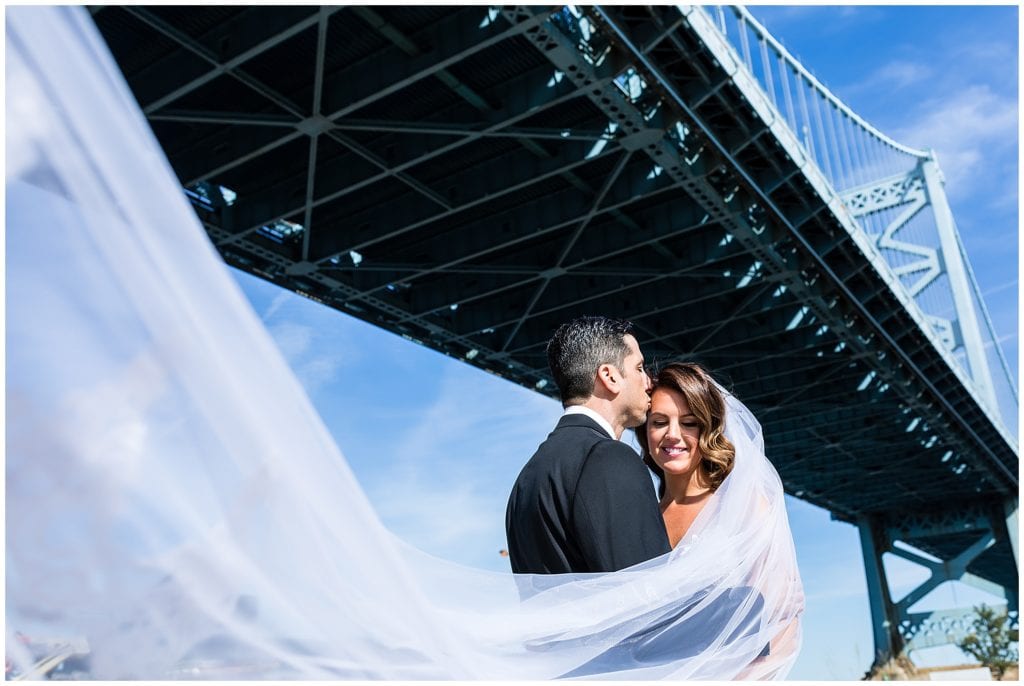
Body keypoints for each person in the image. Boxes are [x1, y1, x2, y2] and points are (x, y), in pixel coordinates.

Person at [505, 316, 671, 574]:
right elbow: (650, 595)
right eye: (639, 368)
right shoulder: (610, 458)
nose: (648, 381)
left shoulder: (525, 480)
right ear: (609, 376)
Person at [636, 362, 735, 548]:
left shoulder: (741, 507)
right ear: (645, 432)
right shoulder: (641, 521)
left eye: (689, 423)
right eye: (659, 422)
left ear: (708, 431)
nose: (672, 435)